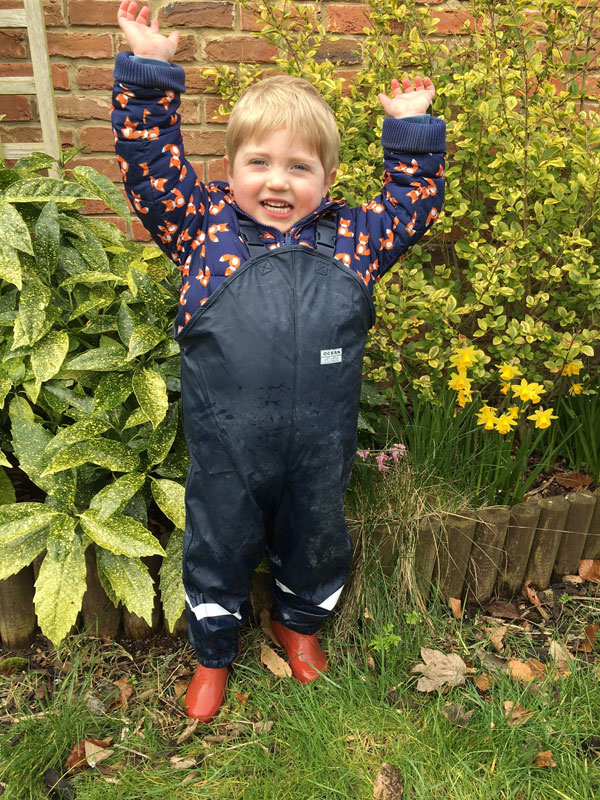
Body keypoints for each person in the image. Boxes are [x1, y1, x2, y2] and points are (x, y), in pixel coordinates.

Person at [113, 0, 446, 722]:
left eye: (300, 167)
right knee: (219, 539)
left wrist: (411, 130)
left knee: (318, 536)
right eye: (258, 162)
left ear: (327, 178)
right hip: (227, 444)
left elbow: (412, 206)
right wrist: (148, 74)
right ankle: (212, 653)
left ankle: (297, 627)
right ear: (229, 169)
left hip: (319, 447)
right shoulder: (200, 227)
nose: (277, 181)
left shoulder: (356, 238)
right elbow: (147, 166)